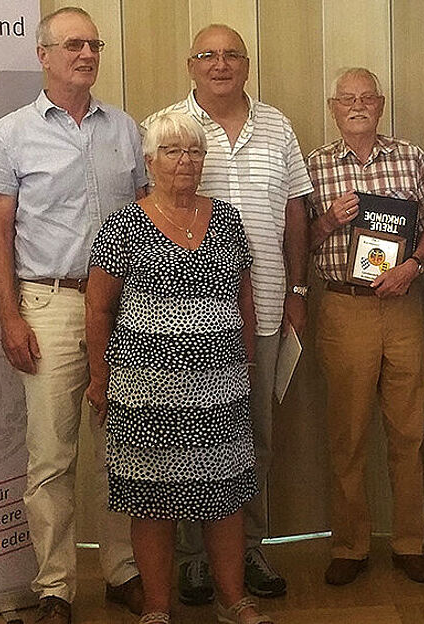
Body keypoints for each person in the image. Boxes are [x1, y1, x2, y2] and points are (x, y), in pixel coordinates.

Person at [0, 6, 145, 623]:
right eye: (73, 44)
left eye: (95, 44)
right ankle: (56, 586)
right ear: (43, 55)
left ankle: (123, 569)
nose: (86, 54)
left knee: (122, 447)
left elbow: (147, 219)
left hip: (128, 305)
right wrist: (9, 318)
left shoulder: (126, 129)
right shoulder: (12, 133)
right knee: (51, 456)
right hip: (46, 301)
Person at [144, 24, 312, 604]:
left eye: (232, 55)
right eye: (208, 55)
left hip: (261, 309)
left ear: (246, 63)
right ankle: (194, 560)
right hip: (179, 319)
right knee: (186, 444)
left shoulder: (277, 124)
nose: (221, 64)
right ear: (191, 66)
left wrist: (297, 290)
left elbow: (296, 210)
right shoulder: (170, 126)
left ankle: (247, 549)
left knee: (253, 440)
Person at [84, 110, 272, 624]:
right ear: (150, 160)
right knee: (151, 502)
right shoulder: (124, 224)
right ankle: (158, 609)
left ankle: (234, 602)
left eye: (193, 151)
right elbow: (99, 306)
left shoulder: (227, 219)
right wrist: (99, 378)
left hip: (220, 385)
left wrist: (249, 359)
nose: (185, 161)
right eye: (172, 151)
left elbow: (244, 294)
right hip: (144, 390)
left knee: (225, 495)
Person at [306, 67, 424, 585]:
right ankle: (349, 547)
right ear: (333, 107)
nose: (358, 105)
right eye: (347, 99)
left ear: (381, 104)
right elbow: (302, 241)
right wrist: (330, 221)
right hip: (344, 307)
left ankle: (410, 543)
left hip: (404, 303)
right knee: (348, 434)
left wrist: (414, 266)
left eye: (367, 97)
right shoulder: (315, 165)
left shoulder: (409, 156)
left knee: (409, 431)